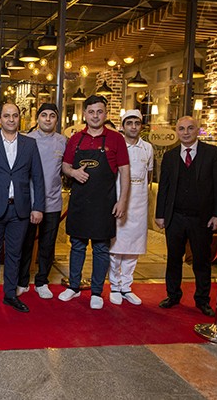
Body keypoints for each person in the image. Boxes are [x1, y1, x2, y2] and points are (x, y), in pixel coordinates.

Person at [59, 95, 130, 310]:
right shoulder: (75, 139)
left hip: (104, 203)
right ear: (85, 114)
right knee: (77, 245)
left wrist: (122, 201)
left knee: (101, 248)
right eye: (91, 112)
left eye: (99, 112)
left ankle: (97, 291)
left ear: (105, 113)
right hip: (80, 202)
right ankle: (73, 286)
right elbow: (65, 166)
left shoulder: (116, 139)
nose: (95, 116)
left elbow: (125, 172)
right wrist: (73, 172)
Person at [155, 116, 217, 316]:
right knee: (173, 259)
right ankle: (173, 295)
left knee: (201, 261)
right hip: (175, 217)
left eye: (190, 128)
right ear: (176, 131)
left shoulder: (212, 154)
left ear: (198, 130)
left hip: (201, 218)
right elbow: (164, 188)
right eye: (181, 129)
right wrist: (160, 214)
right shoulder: (170, 156)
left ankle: (202, 300)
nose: (186, 132)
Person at [0, 103, 45, 313]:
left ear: (19, 118)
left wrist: (38, 207)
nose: (10, 119)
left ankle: (10, 294)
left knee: (15, 254)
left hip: (20, 209)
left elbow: (38, 177)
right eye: (6, 116)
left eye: (14, 115)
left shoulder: (29, 144)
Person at [18, 103, 67, 299]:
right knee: (26, 243)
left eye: (52, 116)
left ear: (56, 119)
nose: (48, 119)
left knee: (48, 245)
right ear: (37, 118)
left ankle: (42, 281)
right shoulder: (27, 140)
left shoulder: (63, 141)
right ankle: (22, 281)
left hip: (53, 202)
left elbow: (65, 168)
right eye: (44, 115)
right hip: (30, 202)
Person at [109, 110, 153, 306]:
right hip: (119, 200)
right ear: (123, 126)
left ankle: (126, 286)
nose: (133, 127)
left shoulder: (148, 148)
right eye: (129, 123)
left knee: (134, 247)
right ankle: (114, 285)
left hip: (139, 203)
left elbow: (149, 176)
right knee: (116, 246)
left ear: (141, 126)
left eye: (137, 123)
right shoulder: (117, 146)